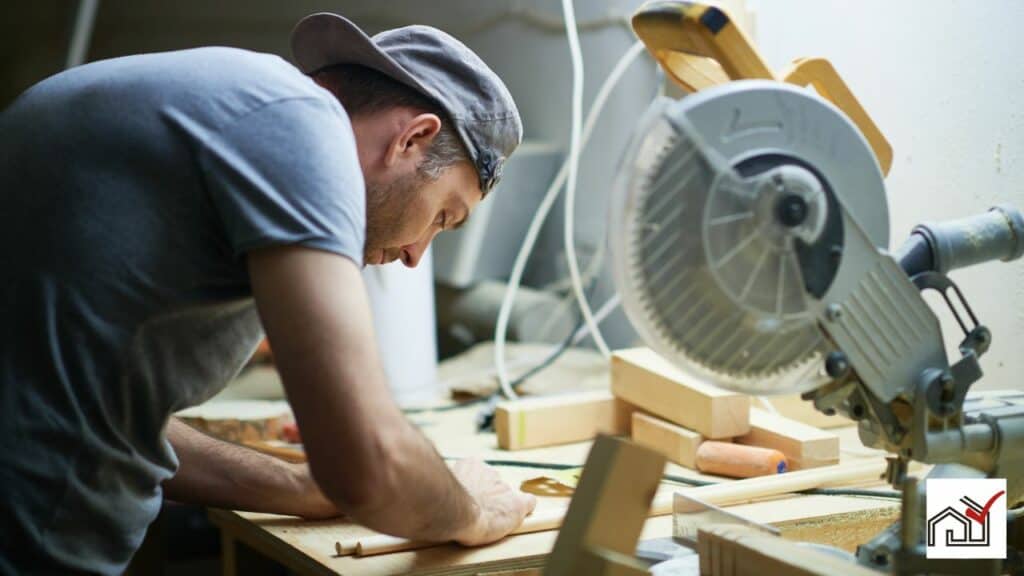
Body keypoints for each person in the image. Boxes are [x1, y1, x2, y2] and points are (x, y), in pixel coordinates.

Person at [0, 12, 536, 574]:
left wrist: (309, 487)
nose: (415, 255)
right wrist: (473, 511)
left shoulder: (231, 105)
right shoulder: (302, 125)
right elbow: (370, 465)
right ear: (412, 138)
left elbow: (103, 415)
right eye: (442, 216)